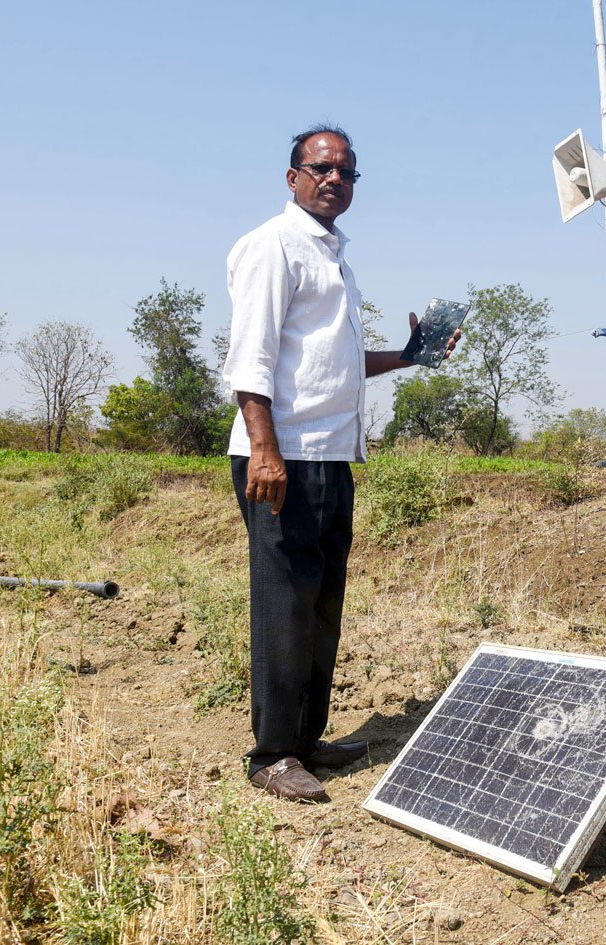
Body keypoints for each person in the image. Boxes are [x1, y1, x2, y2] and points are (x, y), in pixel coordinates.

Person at [223, 125, 457, 801]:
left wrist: (411, 355)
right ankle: (272, 754)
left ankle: (306, 739)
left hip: (330, 456)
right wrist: (263, 448)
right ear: (292, 176)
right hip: (283, 457)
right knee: (283, 603)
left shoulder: (335, 260)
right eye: (321, 168)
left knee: (321, 603)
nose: (334, 180)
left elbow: (340, 364)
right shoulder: (274, 246)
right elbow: (251, 357)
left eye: (347, 173)